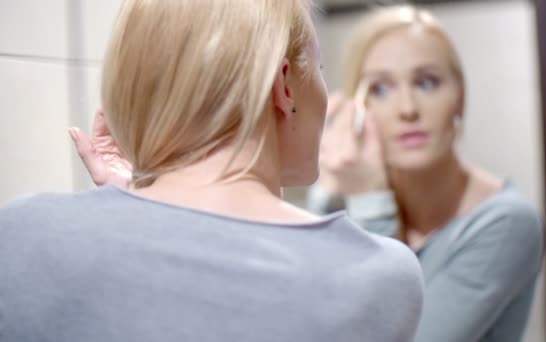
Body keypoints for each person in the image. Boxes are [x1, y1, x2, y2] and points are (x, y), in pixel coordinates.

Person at [0, 1, 424, 341]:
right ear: (284, 85)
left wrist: (141, 197)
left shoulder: (21, 231)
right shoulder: (374, 276)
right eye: (318, 69)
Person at [307, 5, 544, 342]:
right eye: (381, 89)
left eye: (427, 82)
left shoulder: (508, 223)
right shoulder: (343, 199)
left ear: (459, 98)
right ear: (358, 108)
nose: (407, 109)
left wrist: (372, 201)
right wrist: (325, 192)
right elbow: (304, 312)